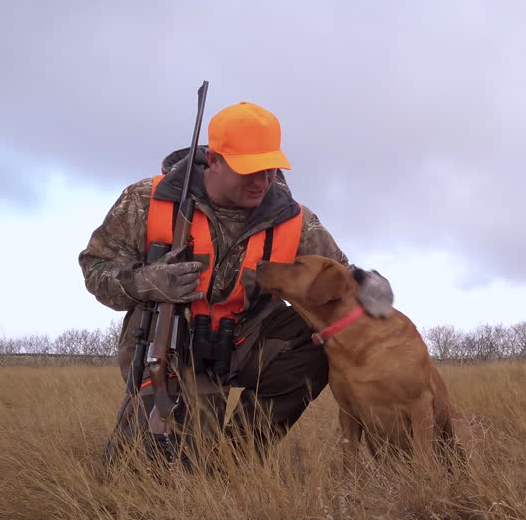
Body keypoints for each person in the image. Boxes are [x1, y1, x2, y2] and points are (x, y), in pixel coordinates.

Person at [78, 101, 350, 463]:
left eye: (269, 169)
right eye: (249, 170)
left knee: (320, 337)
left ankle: (236, 457)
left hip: (247, 337)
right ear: (215, 160)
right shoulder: (146, 200)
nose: (262, 181)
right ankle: (180, 450)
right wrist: (144, 282)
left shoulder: (296, 220)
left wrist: (383, 315)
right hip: (174, 344)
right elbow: (95, 267)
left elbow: (342, 284)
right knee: (160, 470)